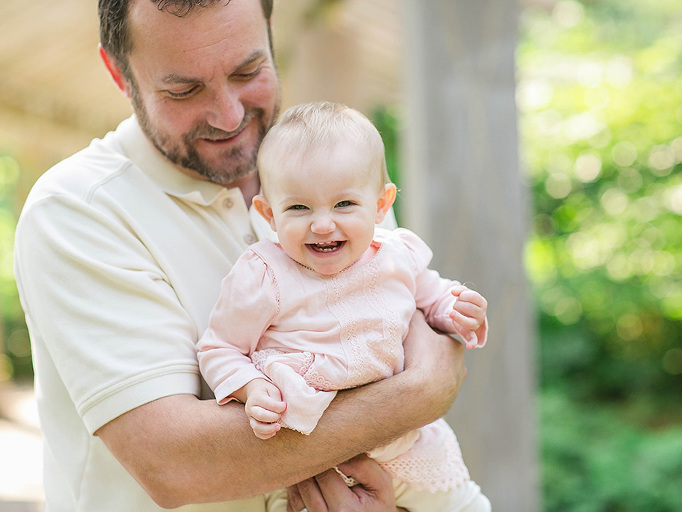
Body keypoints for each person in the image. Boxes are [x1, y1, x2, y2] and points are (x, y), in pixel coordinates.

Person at [12, 1, 468, 511]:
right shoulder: (78, 211)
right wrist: (421, 393)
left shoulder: (328, 165)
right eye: (184, 89)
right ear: (118, 73)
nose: (228, 115)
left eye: (247, 70)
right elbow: (175, 463)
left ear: (270, 34)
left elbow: (401, 319)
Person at [197, 102, 491, 512]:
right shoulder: (264, 275)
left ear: (381, 205)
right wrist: (250, 388)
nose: (321, 224)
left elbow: (432, 298)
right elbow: (219, 348)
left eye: (344, 205)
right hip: (308, 462)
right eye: (298, 208)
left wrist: (458, 308)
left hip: (409, 444)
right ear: (268, 214)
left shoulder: (395, 254)